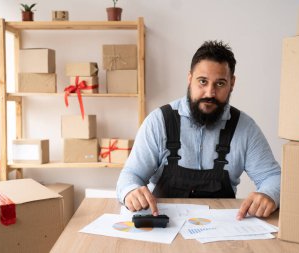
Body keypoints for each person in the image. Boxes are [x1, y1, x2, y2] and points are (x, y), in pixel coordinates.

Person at [116, 40, 280, 220]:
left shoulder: (246, 128)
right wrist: (131, 191)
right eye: (202, 81)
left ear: (232, 83)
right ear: (189, 78)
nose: (210, 93)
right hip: (165, 228)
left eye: (220, 84)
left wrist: (268, 194)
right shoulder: (158, 122)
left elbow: (273, 177)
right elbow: (130, 175)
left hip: (223, 232)